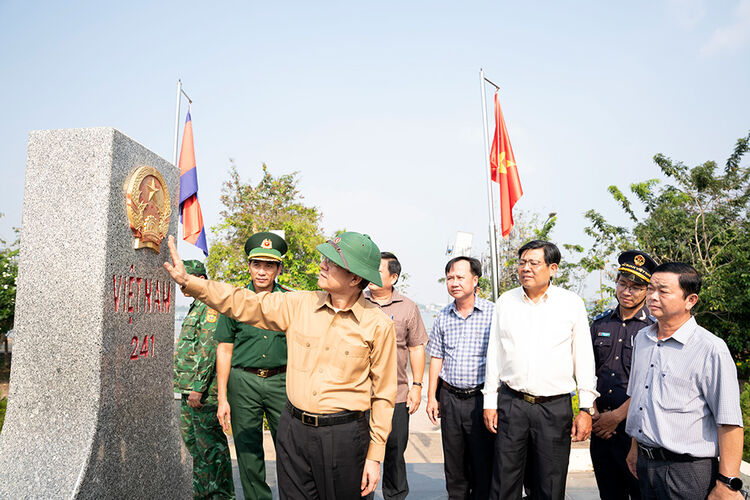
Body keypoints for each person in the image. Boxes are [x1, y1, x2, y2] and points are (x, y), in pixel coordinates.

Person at [163, 232, 397, 499]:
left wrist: (374, 456)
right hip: (294, 430)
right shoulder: (299, 304)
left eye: (332, 262)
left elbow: (384, 395)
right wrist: (190, 282)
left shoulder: (378, 325)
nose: (323, 264)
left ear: (355, 278)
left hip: (344, 437)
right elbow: (243, 301)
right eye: (325, 258)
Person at [483, 239, 598, 500]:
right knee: (504, 482)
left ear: (553, 268)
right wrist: (490, 401)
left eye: (534, 263)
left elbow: (584, 357)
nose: (526, 268)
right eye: (522, 262)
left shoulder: (571, 303)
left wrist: (585, 409)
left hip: (554, 408)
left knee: (550, 484)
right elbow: (495, 354)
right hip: (513, 404)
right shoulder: (506, 302)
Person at [625, 262, 744, 499]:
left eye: (663, 291)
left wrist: (727, 484)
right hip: (645, 465)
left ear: (690, 300)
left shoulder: (710, 349)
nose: (652, 296)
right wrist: (634, 448)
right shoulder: (642, 338)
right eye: (650, 288)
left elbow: (729, 422)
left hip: (686, 472)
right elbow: (640, 402)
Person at [214, 232, 292, 500]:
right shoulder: (234, 301)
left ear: (278, 268)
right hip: (242, 383)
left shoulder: (290, 302)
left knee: (291, 449)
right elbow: (224, 348)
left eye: (269, 265)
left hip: (281, 382)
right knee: (248, 453)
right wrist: (223, 398)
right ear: (249, 266)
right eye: (256, 264)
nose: (262, 272)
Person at [426, 256, 495, 500]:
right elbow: (436, 357)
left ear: (475, 280)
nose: (454, 282)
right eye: (450, 278)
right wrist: (431, 397)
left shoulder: (492, 313)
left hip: (481, 399)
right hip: (450, 398)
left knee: (483, 460)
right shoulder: (443, 316)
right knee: (454, 462)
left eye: (460, 277)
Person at [589, 250, 657, 500]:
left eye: (636, 287)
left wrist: (617, 417)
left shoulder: (653, 329)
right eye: (622, 284)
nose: (627, 291)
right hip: (601, 429)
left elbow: (649, 383)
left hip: (635, 431)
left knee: (640, 493)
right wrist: (594, 413)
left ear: (647, 291)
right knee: (609, 493)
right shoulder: (600, 324)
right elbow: (587, 372)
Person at [364, 252, 428, 500]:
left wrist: (417, 386)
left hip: (396, 395)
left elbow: (416, 347)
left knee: (394, 453)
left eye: (377, 270)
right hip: (359, 395)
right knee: (361, 455)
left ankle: (395, 496)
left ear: (393, 277)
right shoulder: (358, 301)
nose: (370, 273)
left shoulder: (408, 307)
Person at [173, 259, 236, 500]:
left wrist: (198, 388)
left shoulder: (209, 307)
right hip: (189, 389)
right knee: (196, 448)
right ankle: (202, 495)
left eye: (186, 280)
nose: (182, 286)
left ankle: (220, 495)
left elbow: (209, 349)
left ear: (199, 279)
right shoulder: (196, 305)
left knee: (211, 450)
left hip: (203, 392)